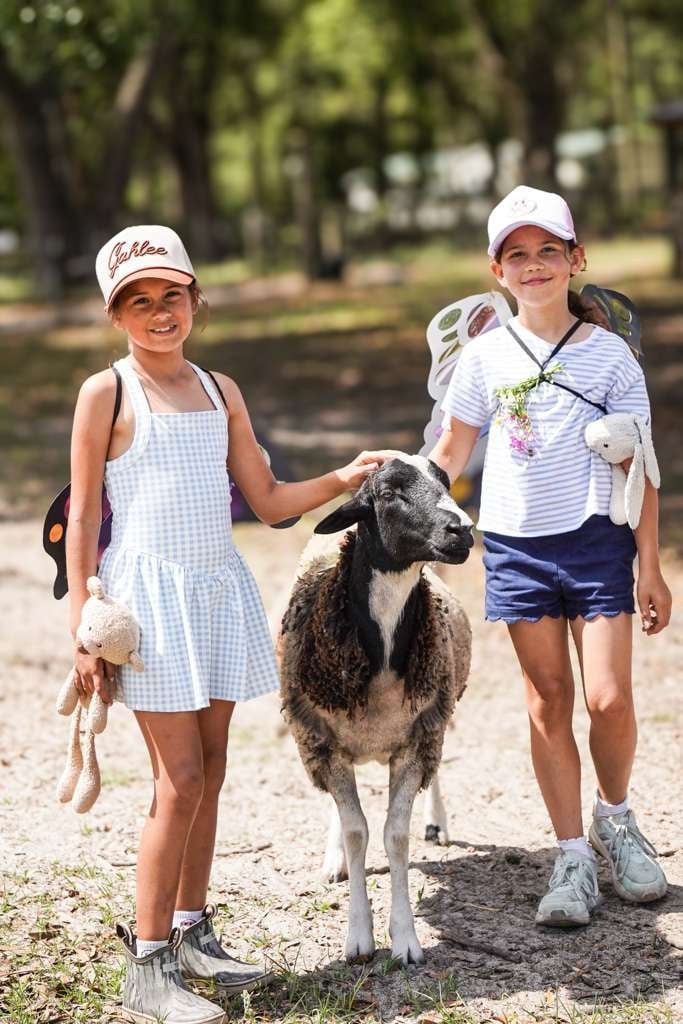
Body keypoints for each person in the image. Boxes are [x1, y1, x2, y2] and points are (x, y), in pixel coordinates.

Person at [67, 225, 380, 1024]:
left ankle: (191, 927)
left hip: (211, 590)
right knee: (179, 784)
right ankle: (147, 967)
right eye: (138, 301)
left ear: (195, 298)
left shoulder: (219, 389)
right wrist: (82, 626)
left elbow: (268, 501)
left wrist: (342, 477)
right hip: (150, 604)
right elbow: (83, 517)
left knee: (211, 768)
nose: (158, 313)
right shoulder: (106, 392)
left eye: (171, 295)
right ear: (116, 315)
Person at [428, 186, 672, 928]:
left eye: (547, 251)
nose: (533, 266)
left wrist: (649, 563)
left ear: (575, 259)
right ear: (495, 270)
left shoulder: (611, 361)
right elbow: (449, 456)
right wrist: (395, 489)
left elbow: (641, 466)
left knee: (607, 699)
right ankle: (569, 856)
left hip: (597, 541)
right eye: (517, 255)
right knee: (547, 701)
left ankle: (616, 819)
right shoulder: (481, 359)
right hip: (514, 545)